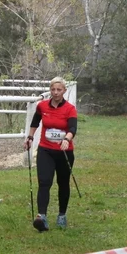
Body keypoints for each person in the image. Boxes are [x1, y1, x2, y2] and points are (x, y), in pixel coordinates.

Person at [24, 77, 78, 232]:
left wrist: (67, 139)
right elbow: (35, 122)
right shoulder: (42, 106)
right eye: (53, 89)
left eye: (59, 90)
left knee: (63, 183)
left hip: (64, 152)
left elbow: (73, 128)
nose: (55, 93)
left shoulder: (70, 108)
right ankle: (42, 217)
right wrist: (30, 137)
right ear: (50, 90)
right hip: (45, 149)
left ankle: (62, 215)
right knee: (44, 182)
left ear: (64, 91)